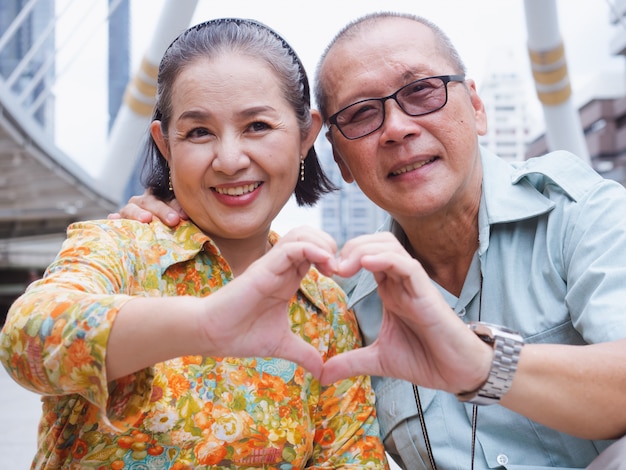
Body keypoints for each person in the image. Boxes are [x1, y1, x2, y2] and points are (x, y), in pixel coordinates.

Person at [120, 11, 626, 470]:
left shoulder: (583, 214)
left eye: (423, 91)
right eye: (362, 114)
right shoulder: (347, 307)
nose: (398, 128)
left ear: (476, 106)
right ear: (338, 159)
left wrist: (480, 364)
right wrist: (185, 213)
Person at [0, 18, 389, 469]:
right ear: (165, 146)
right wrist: (204, 323)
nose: (229, 160)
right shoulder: (120, 249)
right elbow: (26, 339)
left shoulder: (325, 311)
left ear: (306, 136)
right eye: (200, 132)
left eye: (258, 126)